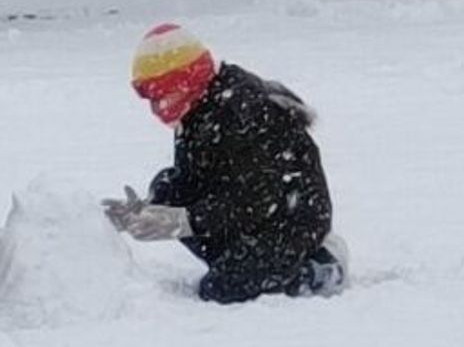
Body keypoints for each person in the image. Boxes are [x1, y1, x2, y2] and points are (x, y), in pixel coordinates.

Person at [103, 23, 347, 304]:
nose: (156, 105)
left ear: (184, 80)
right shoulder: (197, 108)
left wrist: (184, 221)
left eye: (160, 93)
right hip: (246, 210)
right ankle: (240, 260)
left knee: (223, 289)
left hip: (290, 220)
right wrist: (147, 210)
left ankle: (319, 266)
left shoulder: (244, 113)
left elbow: (253, 201)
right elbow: (192, 178)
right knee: (168, 190)